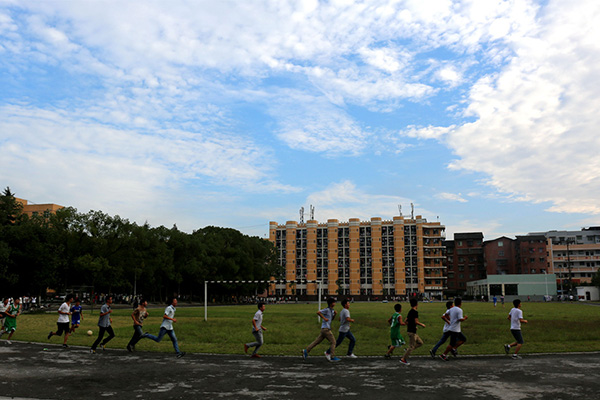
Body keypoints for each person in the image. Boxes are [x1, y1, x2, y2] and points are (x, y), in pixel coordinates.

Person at [302, 297, 340, 362]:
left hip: (324, 329)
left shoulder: (332, 311)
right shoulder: (327, 310)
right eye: (334, 302)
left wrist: (335, 315)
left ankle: (306, 350)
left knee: (317, 342)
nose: (335, 303)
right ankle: (332, 356)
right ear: (331, 303)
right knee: (333, 342)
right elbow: (318, 312)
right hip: (326, 329)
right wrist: (324, 318)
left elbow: (331, 319)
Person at [400, 298, 426, 365]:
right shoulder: (415, 312)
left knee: (420, 343)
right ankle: (403, 359)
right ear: (417, 305)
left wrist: (413, 326)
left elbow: (406, 321)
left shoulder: (410, 311)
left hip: (412, 331)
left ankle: (408, 350)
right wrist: (422, 324)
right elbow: (416, 321)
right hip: (412, 332)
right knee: (411, 346)